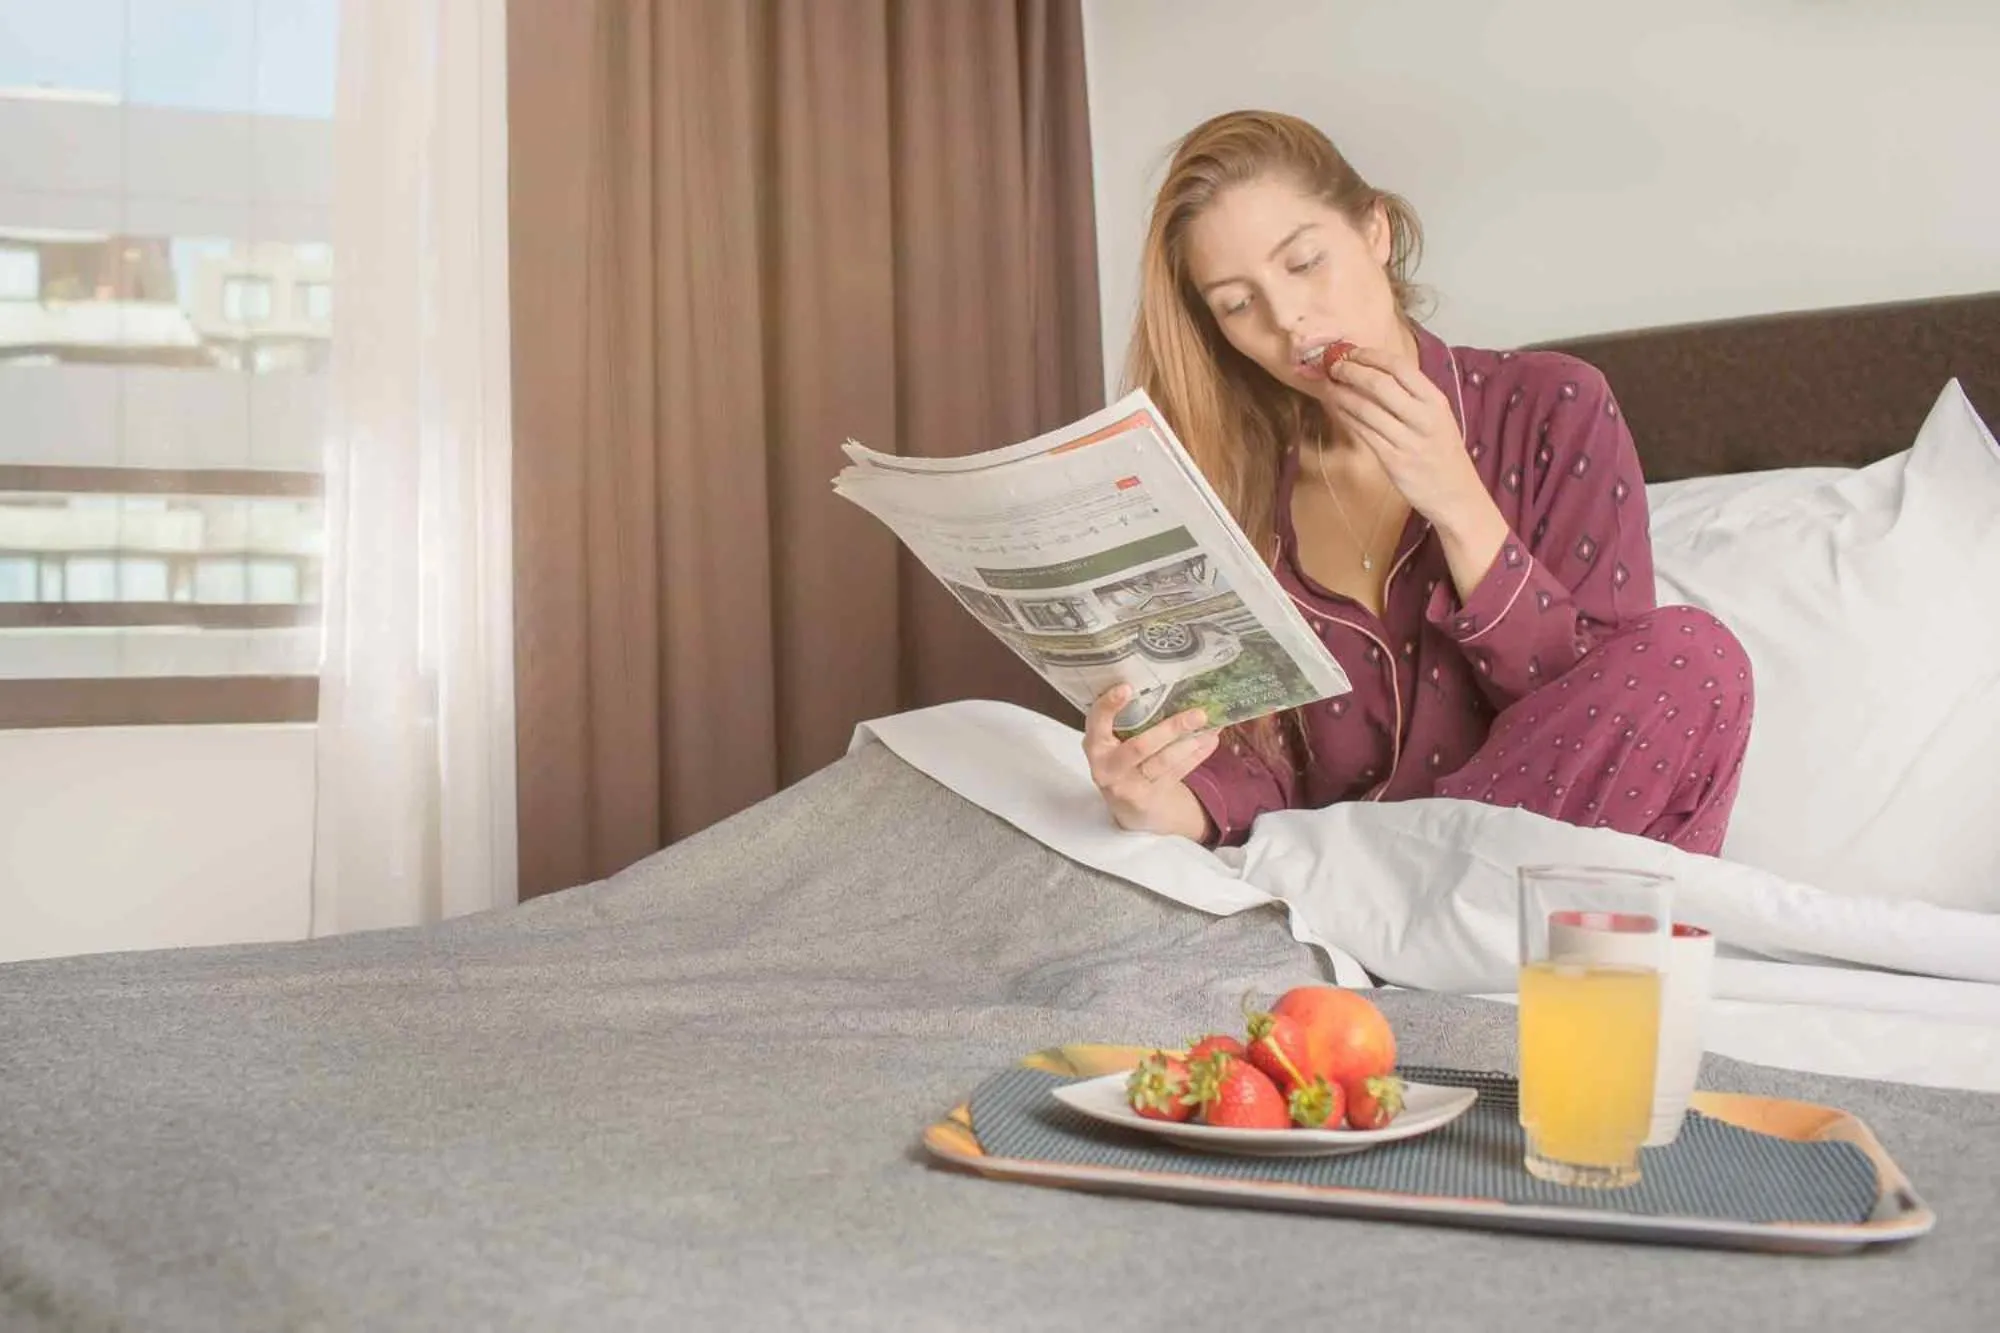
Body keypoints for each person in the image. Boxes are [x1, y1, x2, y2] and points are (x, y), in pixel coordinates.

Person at [1082, 109, 1753, 853]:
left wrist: (1460, 505)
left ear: (1376, 231)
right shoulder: (1228, 484)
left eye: (1304, 262)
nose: (1288, 317)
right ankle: (1403, 912)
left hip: (1546, 885)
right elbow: (1257, 773)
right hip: (1355, 899)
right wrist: (1156, 800)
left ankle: (1433, 906)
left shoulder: (1555, 408)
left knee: (1694, 658)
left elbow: (1604, 715)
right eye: (1238, 304)